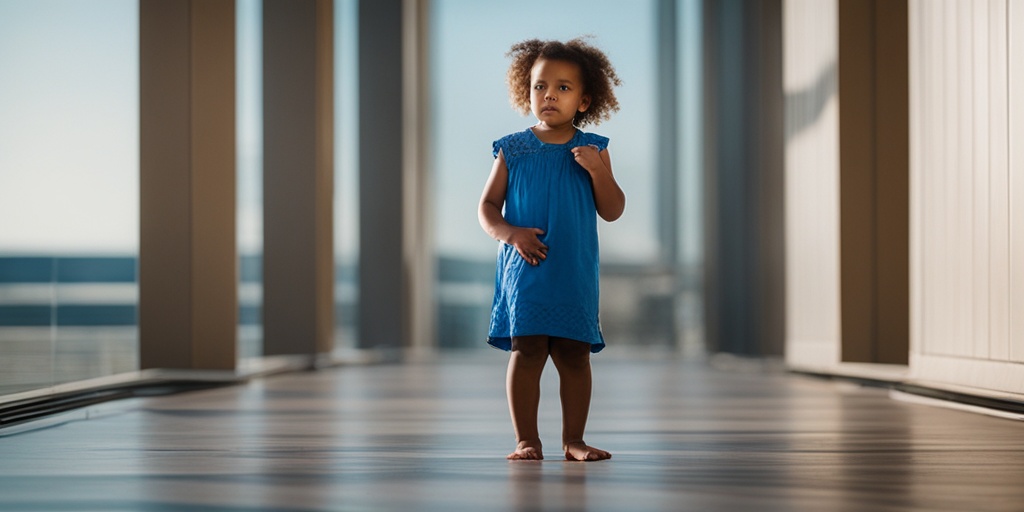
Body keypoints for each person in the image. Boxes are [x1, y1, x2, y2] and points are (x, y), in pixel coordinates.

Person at [477, 37, 625, 462]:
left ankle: (573, 439)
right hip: (524, 268)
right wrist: (511, 233)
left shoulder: (595, 149)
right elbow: (487, 207)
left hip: (573, 271)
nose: (549, 95)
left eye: (563, 88)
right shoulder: (512, 149)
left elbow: (612, 210)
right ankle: (527, 440)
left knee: (575, 354)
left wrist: (597, 171)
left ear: (584, 100)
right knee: (527, 350)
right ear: (527, 92)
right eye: (540, 86)